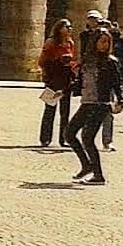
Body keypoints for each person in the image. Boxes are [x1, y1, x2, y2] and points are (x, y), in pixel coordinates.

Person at [67, 26, 119, 184]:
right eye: (102, 41)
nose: (104, 45)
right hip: (87, 102)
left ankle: (98, 175)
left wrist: (121, 101)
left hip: (101, 103)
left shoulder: (110, 62)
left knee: (87, 138)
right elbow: (80, 83)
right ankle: (86, 165)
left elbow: (117, 84)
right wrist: (68, 86)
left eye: (107, 42)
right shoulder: (87, 60)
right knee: (69, 134)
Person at [38, 19, 77, 150]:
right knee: (50, 109)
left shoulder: (70, 43)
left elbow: (73, 59)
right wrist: (58, 61)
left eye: (70, 27)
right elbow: (42, 61)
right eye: (67, 27)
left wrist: (71, 63)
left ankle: (64, 138)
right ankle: (45, 138)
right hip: (54, 78)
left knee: (65, 111)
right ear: (59, 28)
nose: (70, 29)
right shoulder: (51, 42)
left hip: (66, 79)